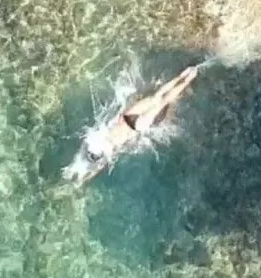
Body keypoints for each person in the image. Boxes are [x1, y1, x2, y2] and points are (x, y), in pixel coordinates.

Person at [64, 62, 205, 185]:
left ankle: (184, 77)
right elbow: (91, 160)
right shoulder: (98, 143)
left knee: (157, 98)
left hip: (129, 119)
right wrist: (82, 177)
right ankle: (186, 79)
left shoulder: (99, 145)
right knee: (161, 100)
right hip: (132, 123)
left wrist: (83, 178)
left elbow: (93, 163)